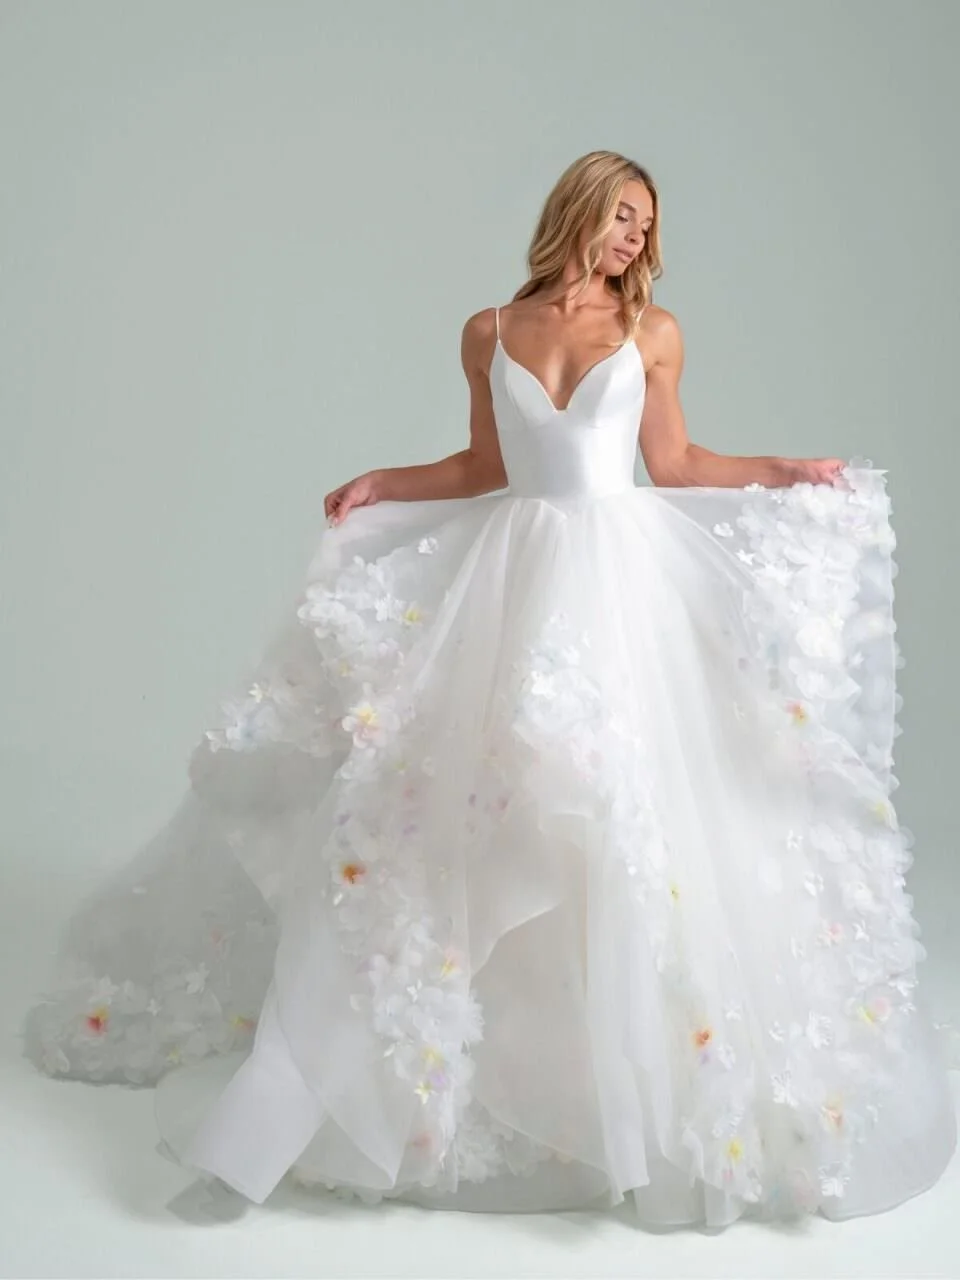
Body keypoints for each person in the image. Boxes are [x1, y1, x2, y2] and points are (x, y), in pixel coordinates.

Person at [24, 150, 958, 1231]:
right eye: (621, 215)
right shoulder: (490, 331)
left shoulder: (651, 331)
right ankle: (299, 1115)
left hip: (619, 594)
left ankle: (633, 1118)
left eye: (645, 224)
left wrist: (782, 470)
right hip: (509, 589)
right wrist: (386, 482)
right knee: (442, 831)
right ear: (579, 208)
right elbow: (484, 467)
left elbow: (676, 463)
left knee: (612, 825)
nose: (634, 238)